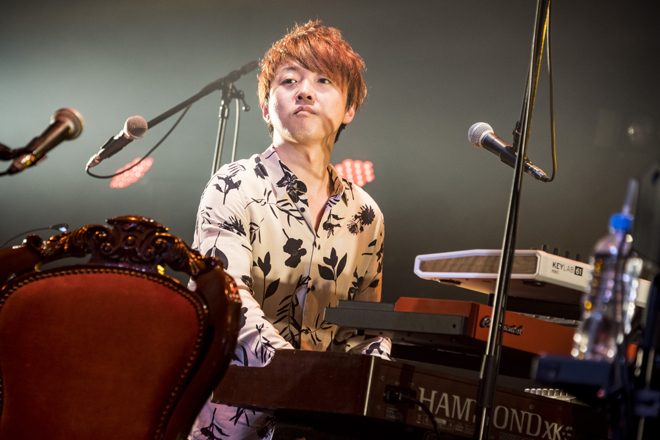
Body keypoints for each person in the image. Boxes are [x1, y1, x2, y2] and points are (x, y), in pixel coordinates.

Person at [189, 20, 390, 440]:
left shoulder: (366, 215)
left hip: (322, 427)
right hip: (229, 426)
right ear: (266, 108)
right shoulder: (233, 186)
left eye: (323, 80)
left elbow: (362, 331)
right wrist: (302, 379)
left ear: (350, 109)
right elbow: (227, 301)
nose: (305, 91)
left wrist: (380, 381)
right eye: (289, 80)